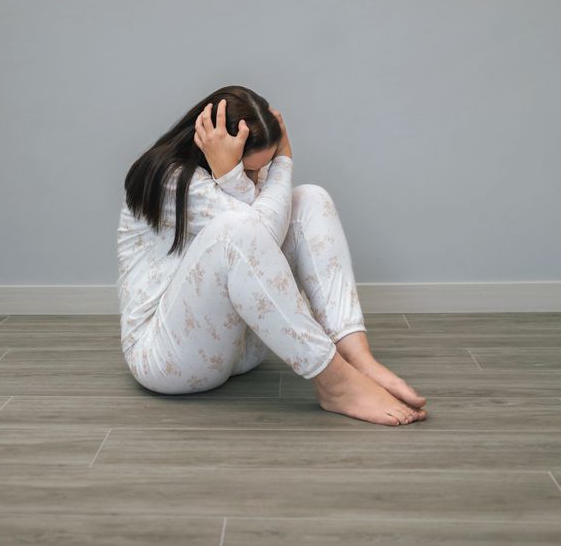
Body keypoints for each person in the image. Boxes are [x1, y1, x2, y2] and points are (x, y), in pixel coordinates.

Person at [117, 85, 428, 425]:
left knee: (310, 199)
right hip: (168, 358)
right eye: (247, 171)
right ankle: (335, 381)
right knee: (239, 227)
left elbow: (263, 235)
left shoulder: (247, 172)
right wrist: (280, 161)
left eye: (257, 171)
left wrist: (253, 169)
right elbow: (254, 233)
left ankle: (357, 357)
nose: (255, 180)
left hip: (245, 350)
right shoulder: (170, 179)